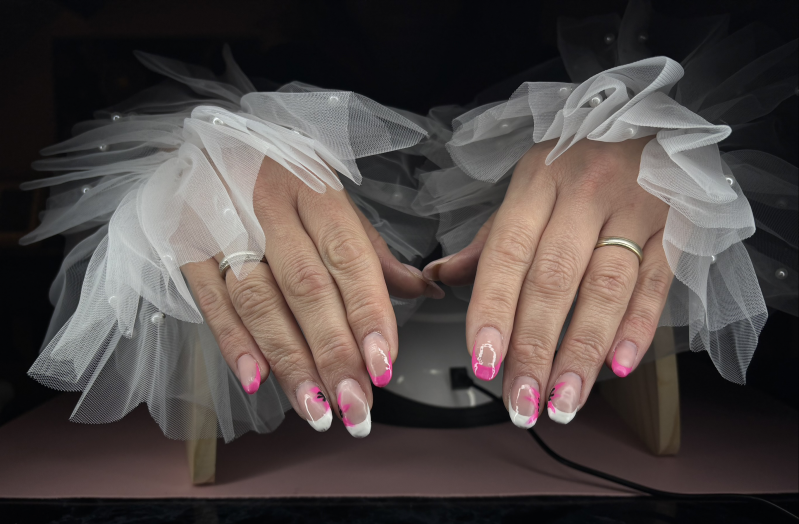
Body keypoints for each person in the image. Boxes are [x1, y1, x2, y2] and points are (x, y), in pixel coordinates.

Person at [22, 0, 797, 440]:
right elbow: (97, 188)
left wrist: (656, 145)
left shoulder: (601, 65)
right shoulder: (267, 79)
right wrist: (199, 174)